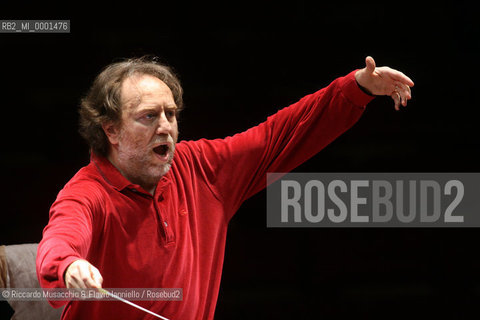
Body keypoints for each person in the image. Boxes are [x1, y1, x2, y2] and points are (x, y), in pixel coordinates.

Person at [36, 56, 413, 319]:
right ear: (111, 130)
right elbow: (60, 239)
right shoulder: (87, 192)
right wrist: (69, 265)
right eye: (148, 116)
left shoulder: (200, 168)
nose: (165, 126)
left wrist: (356, 88)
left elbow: (277, 136)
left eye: (171, 114)